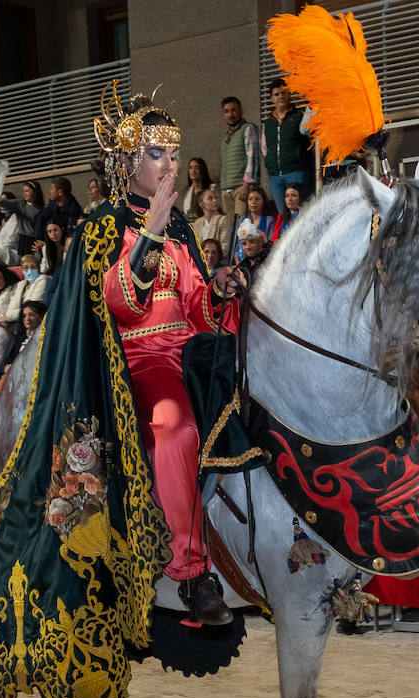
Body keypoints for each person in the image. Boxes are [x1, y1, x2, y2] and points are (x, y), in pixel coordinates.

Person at [94, 88, 246, 622]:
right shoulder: (105, 223)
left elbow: (198, 307)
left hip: (191, 347)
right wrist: (149, 235)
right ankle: (189, 571)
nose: (171, 164)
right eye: (158, 153)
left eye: (175, 154)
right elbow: (119, 303)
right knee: (176, 429)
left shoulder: (180, 224)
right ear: (128, 160)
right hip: (142, 358)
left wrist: (220, 287)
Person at [262, 78, 312, 206]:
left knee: (300, 212)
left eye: (284, 93)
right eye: (276, 94)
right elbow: (264, 149)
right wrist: (269, 163)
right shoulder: (267, 123)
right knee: (283, 215)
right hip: (275, 177)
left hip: (297, 172)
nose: (280, 97)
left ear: (289, 94)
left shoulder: (300, 116)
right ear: (271, 98)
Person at [219, 95, 261, 218]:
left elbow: (253, 157)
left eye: (233, 110)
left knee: (242, 228)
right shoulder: (226, 137)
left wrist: (247, 184)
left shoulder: (248, 129)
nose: (230, 114)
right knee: (231, 231)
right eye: (226, 111)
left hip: (241, 188)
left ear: (241, 111)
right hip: (226, 191)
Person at [0, 179, 47, 261]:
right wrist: (0, 201)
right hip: (24, 240)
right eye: (23, 191)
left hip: (37, 239)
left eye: (27, 191)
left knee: (37, 261)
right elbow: (9, 203)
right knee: (25, 261)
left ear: (35, 192)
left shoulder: (42, 209)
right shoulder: (21, 204)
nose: (24, 193)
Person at [233, 186, 274, 261]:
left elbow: (271, 244)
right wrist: (237, 260)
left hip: (263, 261)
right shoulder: (242, 221)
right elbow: (236, 246)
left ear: (263, 202)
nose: (253, 202)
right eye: (250, 199)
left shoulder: (269, 220)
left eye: (257, 199)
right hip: (244, 262)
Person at [191, 187, 235, 256]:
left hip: (217, 263)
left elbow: (225, 247)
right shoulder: (197, 223)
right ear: (201, 204)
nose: (215, 201)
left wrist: (210, 257)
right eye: (210, 198)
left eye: (216, 198)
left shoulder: (223, 220)